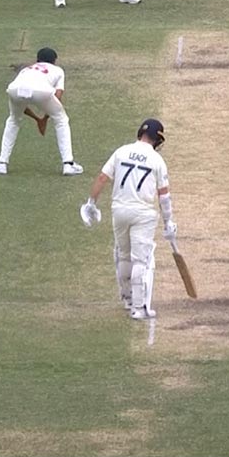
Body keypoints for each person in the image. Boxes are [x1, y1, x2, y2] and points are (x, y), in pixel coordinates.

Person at [80, 119, 177, 320]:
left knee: (123, 255)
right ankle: (139, 308)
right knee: (141, 259)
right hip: (143, 213)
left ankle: (127, 299)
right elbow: (164, 196)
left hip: (119, 210)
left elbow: (101, 178)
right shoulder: (157, 160)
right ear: (158, 139)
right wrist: (168, 221)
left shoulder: (121, 152)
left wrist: (91, 203)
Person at [0, 48, 83, 176]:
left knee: (13, 119)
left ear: (37, 60)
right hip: (42, 91)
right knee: (61, 119)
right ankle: (68, 164)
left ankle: (2, 163)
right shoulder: (58, 70)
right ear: (55, 61)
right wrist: (45, 117)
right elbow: (58, 95)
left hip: (14, 90)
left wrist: (38, 118)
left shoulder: (26, 69)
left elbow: (23, 100)